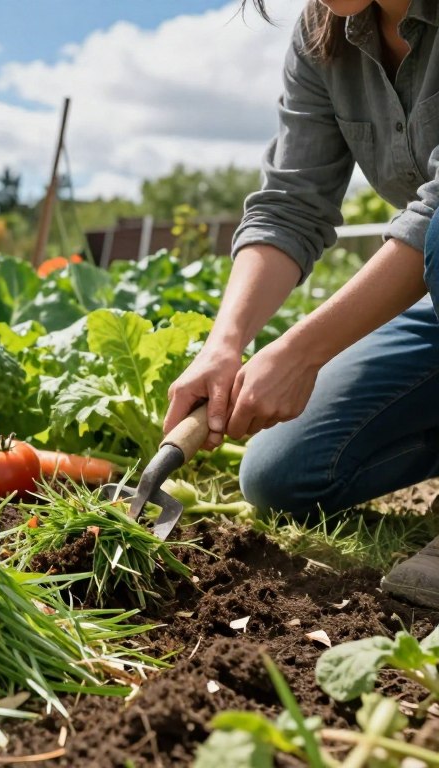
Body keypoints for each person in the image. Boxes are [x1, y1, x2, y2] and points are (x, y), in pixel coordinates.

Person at [163, 0, 439, 608]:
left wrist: (300, 352)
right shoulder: (324, 35)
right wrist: (224, 345)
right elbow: (291, 203)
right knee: (282, 472)